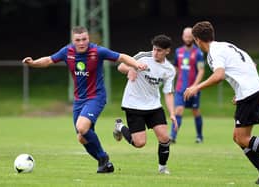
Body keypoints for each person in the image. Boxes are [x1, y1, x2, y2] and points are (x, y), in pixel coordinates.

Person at [22, 26, 147, 173]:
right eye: (78, 40)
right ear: (73, 40)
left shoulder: (97, 51)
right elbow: (49, 60)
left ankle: (103, 158)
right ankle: (104, 164)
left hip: (96, 97)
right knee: (81, 137)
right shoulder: (67, 52)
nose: (81, 42)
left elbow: (121, 57)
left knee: (82, 127)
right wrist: (33, 63)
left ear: (88, 38)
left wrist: (136, 64)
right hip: (79, 100)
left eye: (84, 39)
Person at [184, 21, 259, 184]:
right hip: (251, 91)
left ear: (198, 40)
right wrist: (241, 91)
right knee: (238, 137)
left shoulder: (214, 53)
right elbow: (252, 65)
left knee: (242, 138)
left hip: (250, 93)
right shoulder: (226, 45)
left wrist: (196, 87)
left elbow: (219, 75)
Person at [113, 34, 178, 174]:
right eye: (154, 49)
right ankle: (119, 126)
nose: (155, 52)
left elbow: (168, 93)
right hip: (133, 104)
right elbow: (121, 67)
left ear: (167, 51)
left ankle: (162, 168)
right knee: (139, 143)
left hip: (153, 105)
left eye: (159, 50)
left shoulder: (169, 70)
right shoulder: (143, 56)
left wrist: (172, 113)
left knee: (164, 138)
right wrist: (131, 69)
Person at [170, 27, 205, 144]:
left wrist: (195, 86)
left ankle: (199, 136)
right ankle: (172, 137)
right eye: (186, 36)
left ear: (193, 38)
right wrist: (170, 80)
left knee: (195, 111)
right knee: (178, 110)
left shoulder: (198, 52)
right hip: (180, 88)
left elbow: (201, 70)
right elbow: (175, 68)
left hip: (193, 88)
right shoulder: (178, 51)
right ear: (182, 37)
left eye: (190, 37)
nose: (188, 39)